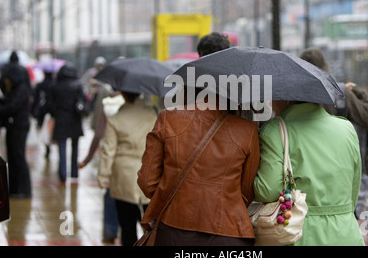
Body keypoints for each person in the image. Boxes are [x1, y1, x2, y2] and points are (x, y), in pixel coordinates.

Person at [137, 94, 260, 246]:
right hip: (229, 232)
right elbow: (247, 191)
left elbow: (147, 181)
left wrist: (176, 199)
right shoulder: (248, 130)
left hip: (172, 228)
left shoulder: (168, 118)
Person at [253, 100, 365, 246]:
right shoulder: (346, 128)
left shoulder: (275, 130)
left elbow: (267, 190)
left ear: (284, 98)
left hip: (300, 233)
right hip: (347, 232)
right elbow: (354, 187)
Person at [97, 91, 158, 246]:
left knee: (127, 225)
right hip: (148, 173)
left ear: (123, 95)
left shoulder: (116, 119)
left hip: (123, 176)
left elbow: (108, 151)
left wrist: (103, 177)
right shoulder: (153, 113)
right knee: (151, 225)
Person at [300, 48, 368, 170]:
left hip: (307, 164)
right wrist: (357, 92)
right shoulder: (339, 93)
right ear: (325, 67)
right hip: (337, 163)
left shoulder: (294, 96)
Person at [79, 88, 124, 245]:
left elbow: (99, 135)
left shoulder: (108, 104)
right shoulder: (145, 109)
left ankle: (110, 231)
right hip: (136, 164)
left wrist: (87, 160)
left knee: (110, 194)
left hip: (114, 163)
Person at [0, 60, 33, 198]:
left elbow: (13, 107)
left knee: (18, 157)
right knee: (12, 158)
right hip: (12, 126)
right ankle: (15, 188)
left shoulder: (22, 89)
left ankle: (24, 189)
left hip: (19, 127)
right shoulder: (15, 89)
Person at [47, 63, 87, 184]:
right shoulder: (77, 84)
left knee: (62, 147)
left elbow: (50, 104)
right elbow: (84, 100)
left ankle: (63, 174)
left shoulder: (55, 85)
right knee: (75, 148)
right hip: (75, 119)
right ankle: (74, 173)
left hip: (61, 119)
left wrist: (55, 113)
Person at [31, 71, 54, 159]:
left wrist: (33, 111)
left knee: (43, 129)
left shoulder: (41, 85)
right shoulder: (54, 84)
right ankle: (49, 145)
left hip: (42, 111)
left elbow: (36, 98)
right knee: (49, 130)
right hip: (51, 111)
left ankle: (47, 146)